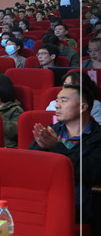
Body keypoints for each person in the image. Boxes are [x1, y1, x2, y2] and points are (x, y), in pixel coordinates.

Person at [29, 84, 101, 225]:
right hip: (43, 193)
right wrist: (41, 148)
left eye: (64, 100)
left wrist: (56, 147)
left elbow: (92, 172)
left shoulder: (97, 137)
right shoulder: (51, 131)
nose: (57, 105)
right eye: (57, 100)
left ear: (82, 107)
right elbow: (29, 164)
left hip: (76, 202)